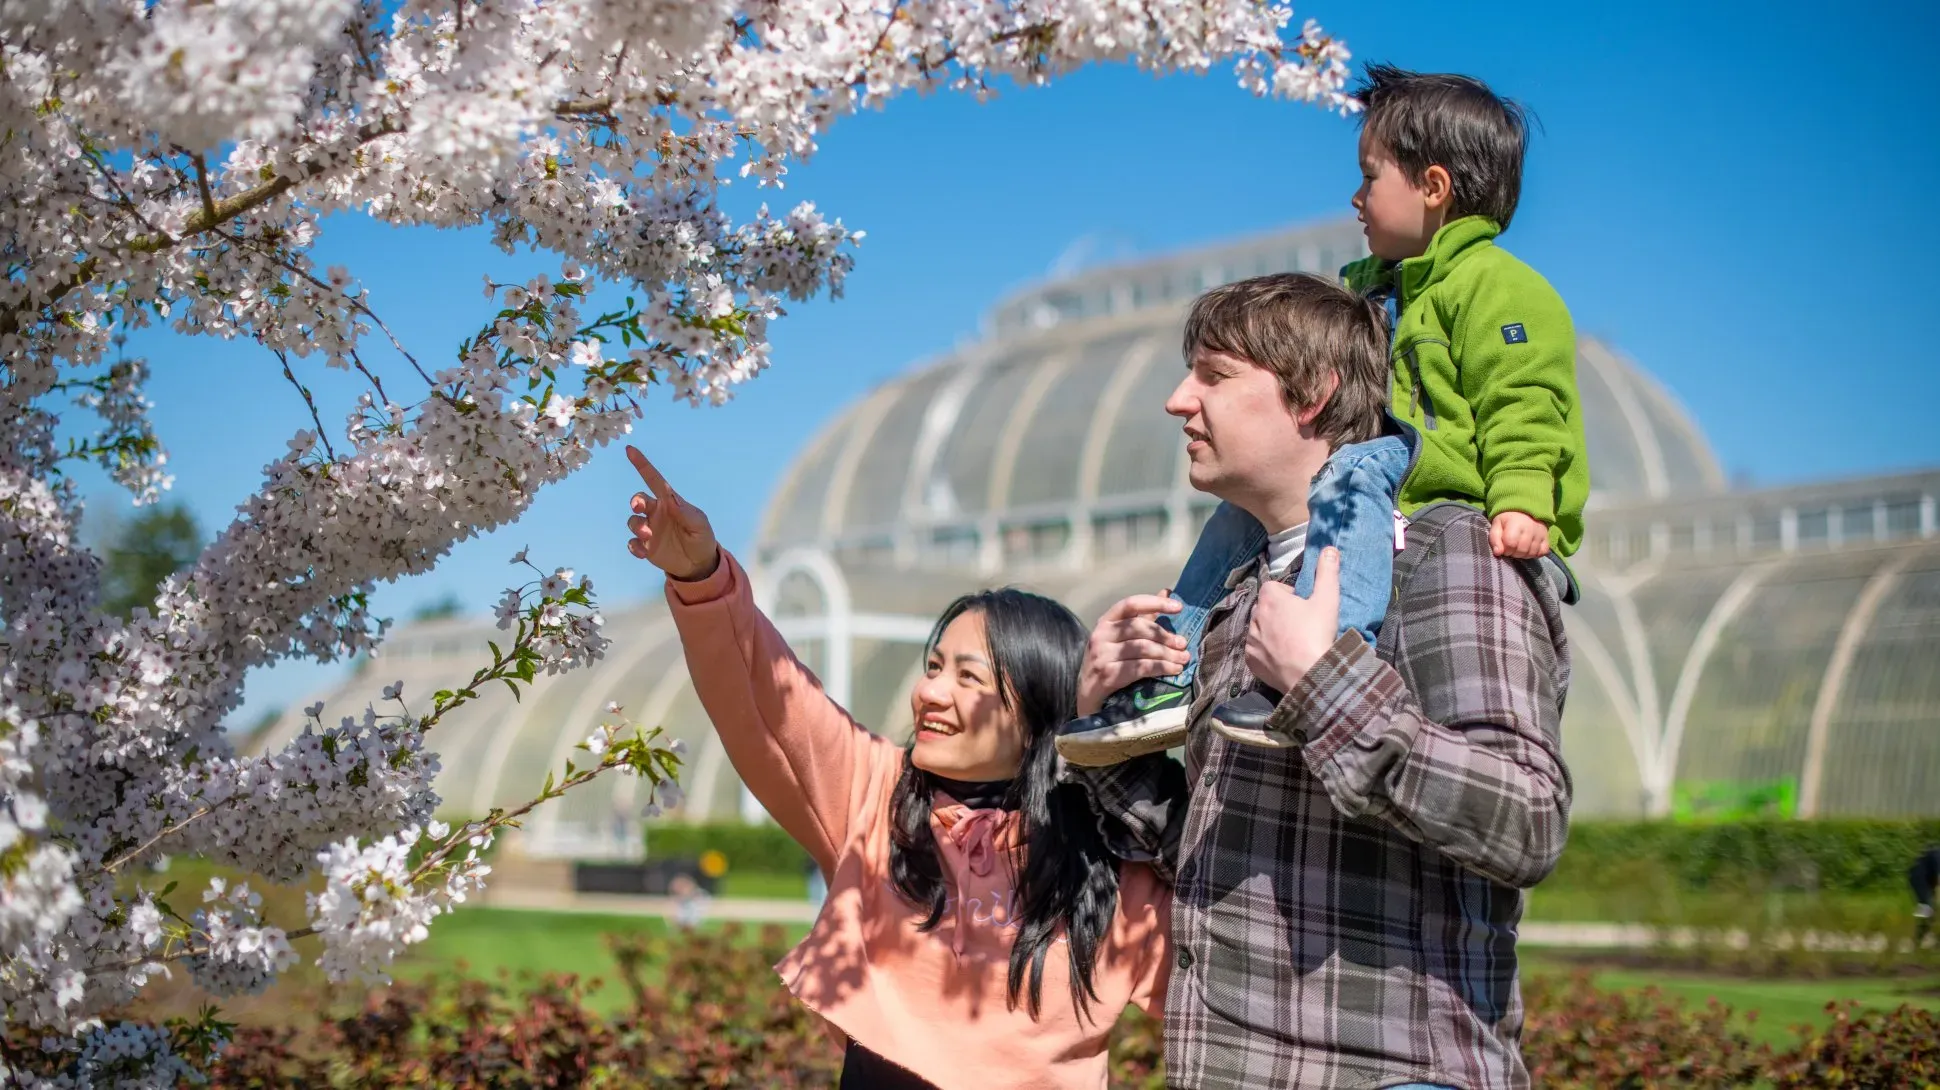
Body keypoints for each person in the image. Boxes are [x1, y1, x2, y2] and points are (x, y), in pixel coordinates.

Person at [1065, 273, 1572, 1088]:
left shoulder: (1451, 560)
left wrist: (1322, 686)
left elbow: (1528, 820)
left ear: (1314, 395)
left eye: (1214, 375)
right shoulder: (1238, 595)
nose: (1176, 400)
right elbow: (1202, 852)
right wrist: (1106, 732)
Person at [1058, 63, 1587, 761]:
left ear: (1433, 187)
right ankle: (1172, 674)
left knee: (1352, 476)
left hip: (1437, 488)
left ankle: (1339, 654)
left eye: (1370, 178)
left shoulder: (1496, 287)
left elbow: (1525, 400)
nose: (1355, 197)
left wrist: (1522, 502)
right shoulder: (1380, 294)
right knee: (1236, 519)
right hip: (1388, 478)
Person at [620, 446, 1175, 1090]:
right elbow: (769, 694)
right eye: (934, 667)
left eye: (968, 676)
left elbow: (1227, 971)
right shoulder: (874, 794)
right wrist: (702, 579)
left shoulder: (1103, 853)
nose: (931, 693)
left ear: (1037, 713)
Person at [1911, 844, 1939, 950]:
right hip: (1919, 879)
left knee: (1931, 908)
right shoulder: (1938, 855)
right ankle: (1918, 939)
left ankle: (1931, 938)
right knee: (1926, 906)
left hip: (1928, 878)